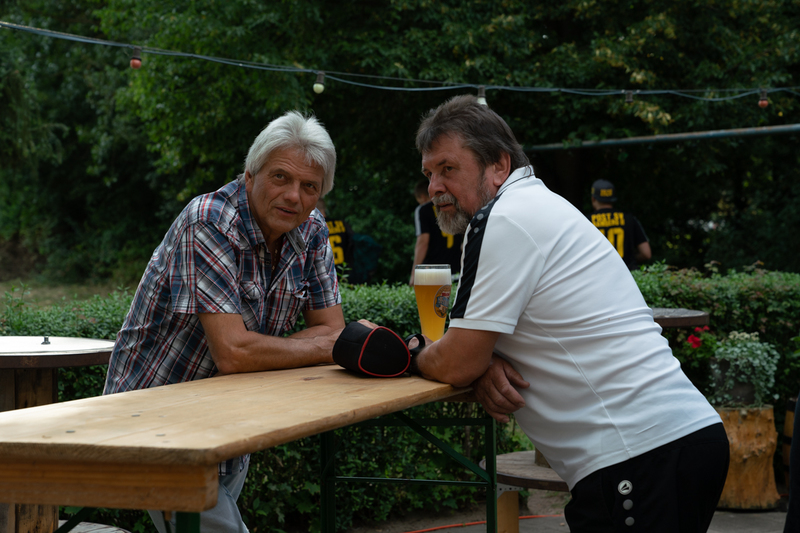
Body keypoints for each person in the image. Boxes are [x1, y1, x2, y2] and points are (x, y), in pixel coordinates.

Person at [409, 95, 729, 533]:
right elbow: (480, 349)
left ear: (498, 165)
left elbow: (457, 360)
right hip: (673, 442)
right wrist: (481, 361)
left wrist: (416, 352)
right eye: (429, 173)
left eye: (448, 168)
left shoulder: (502, 218)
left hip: (638, 456)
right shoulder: (538, 205)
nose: (433, 187)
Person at [103, 111, 347, 533]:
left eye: (309, 186)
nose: (294, 196)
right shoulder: (209, 221)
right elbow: (233, 352)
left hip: (228, 421)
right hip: (154, 423)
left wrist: (273, 347)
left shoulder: (311, 231)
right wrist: (318, 345)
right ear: (250, 176)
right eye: (280, 177)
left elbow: (334, 330)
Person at [409, 179, 464, 285]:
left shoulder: (423, 210)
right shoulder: (454, 206)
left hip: (431, 274)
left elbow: (423, 242)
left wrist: (414, 274)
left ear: (422, 197)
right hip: (456, 271)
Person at [589, 179, 651, 270]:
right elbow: (646, 253)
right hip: (628, 273)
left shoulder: (587, 221)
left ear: (593, 199)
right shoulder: (629, 219)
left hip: (599, 273)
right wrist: (631, 259)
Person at [316, 199, 355, 280]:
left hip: (324, 277)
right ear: (325, 209)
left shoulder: (313, 227)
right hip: (345, 274)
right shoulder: (341, 224)